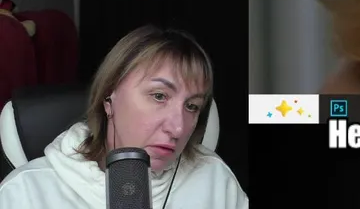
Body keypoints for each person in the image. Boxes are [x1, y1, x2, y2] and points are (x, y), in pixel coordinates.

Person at [0, 26, 248, 208]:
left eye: (192, 106)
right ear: (108, 99)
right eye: (159, 96)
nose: (178, 128)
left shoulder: (215, 180)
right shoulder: (24, 193)